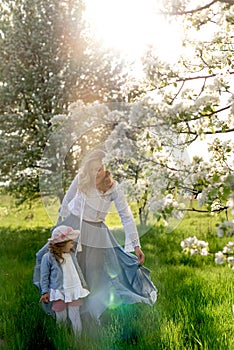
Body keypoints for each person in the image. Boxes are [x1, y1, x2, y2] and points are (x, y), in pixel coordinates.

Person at [34, 149, 157, 324]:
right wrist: (60, 226)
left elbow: (126, 215)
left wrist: (136, 245)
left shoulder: (113, 188)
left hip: (96, 232)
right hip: (74, 226)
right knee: (65, 266)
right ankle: (63, 309)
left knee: (94, 271)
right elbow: (67, 201)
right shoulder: (81, 179)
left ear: (105, 168)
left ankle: (92, 312)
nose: (95, 173)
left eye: (98, 169)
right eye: (91, 169)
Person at [40, 225, 90, 336]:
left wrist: (83, 284)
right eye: (71, 242)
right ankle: (62, 337)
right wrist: (45, 292)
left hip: (74, 289)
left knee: (75, 315)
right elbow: (44, 276)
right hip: (59, 291)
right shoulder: (48, 257)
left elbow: (78, 270)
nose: (73, 244)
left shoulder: (71, 255)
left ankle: (78, 339)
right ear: (62, 243)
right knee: (61, 317)